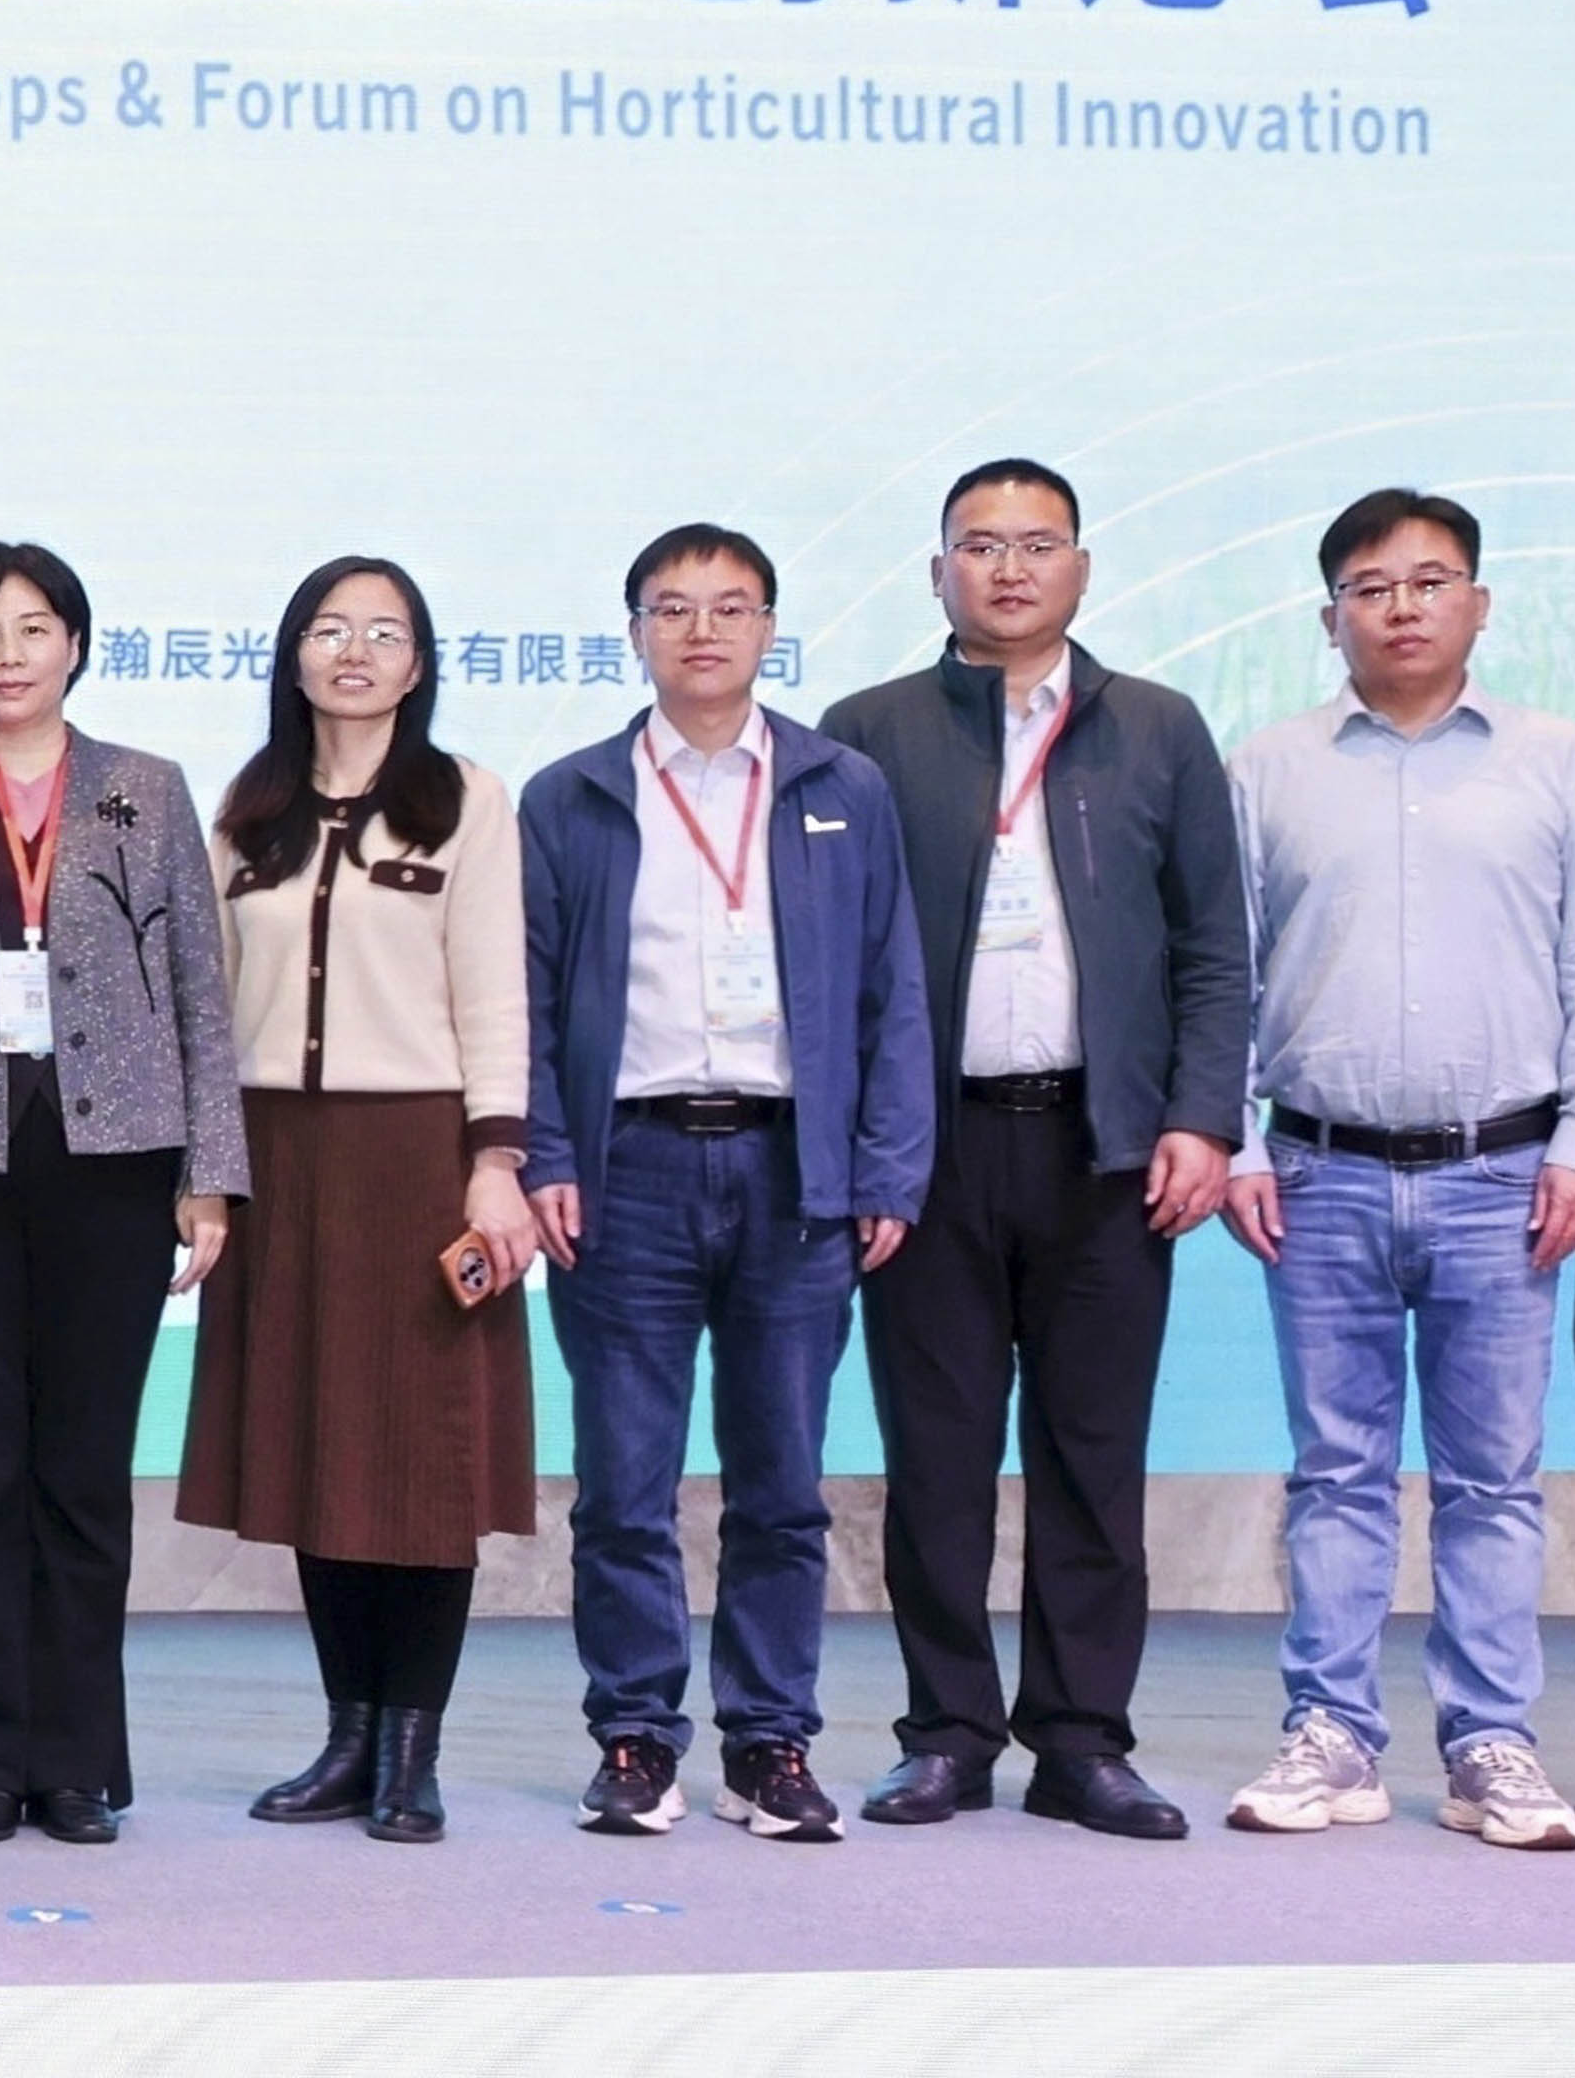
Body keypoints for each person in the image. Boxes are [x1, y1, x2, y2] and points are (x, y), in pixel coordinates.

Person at [813, 459, 1249, 1843]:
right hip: (930, 1155)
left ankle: (1082, 1741)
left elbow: (1213, 946)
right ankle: (946, 1735)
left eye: (1037, 543)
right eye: (980, 544)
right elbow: (827, 954)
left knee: (1093, 1461)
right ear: (937, 570)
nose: (1009, 568)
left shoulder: (1159, 727)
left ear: (1082, 568)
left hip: (1105, 1153)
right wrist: (862, 1148)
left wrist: (1201, 1117)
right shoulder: (866, 731)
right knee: (936, 1461)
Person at [1215, 488, 1575, 1853]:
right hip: (1318, 1170)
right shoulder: (1268, 767)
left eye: (1430, 580)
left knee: (1492, 1481)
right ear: (1328, 614)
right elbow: (1223, 971)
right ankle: (1330, 1733)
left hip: (1503, 1176)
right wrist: (1232, 1139)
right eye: (1371, 586)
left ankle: (1491, 1743)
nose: (1401, 607)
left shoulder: (1560, 762)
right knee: (1334, 1473)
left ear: (1480, 603)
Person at [523, 523, 929, 1843]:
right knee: (623, 1486)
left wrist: (885, 1168)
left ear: (769, 629)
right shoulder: (572, 797)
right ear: (635, 630)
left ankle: (771, 1743)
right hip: (625, 1169)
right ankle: (635, 1735)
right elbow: (528, 999)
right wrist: (545, 1155)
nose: (702, 630)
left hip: (794, 1169)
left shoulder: (841, 787)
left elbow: (891, 988)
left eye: (731, 606)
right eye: (674, 607)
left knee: (784, 1485)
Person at [0, 540, 239, 1849]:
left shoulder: (144, 788)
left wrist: (211, 1174)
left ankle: (73, 1762)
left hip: (115, 1166)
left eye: (32, 628)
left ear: (74, 643)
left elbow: (200, 992)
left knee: (80, 1471)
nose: (6, 655)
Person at [181, 555, 531, 1848]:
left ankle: (412, 1750)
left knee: (422, 1459)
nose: (355, 652)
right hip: (279, 1160)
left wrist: (496, 1159)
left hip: (420, 1159)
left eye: (385, 633)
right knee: (317, 1451)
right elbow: (210, 1007)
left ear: (419, 664)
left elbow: (495, 990)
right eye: (330, 630)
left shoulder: (466, 801)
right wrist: (207, 1169)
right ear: (293, 656)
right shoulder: (249, 811)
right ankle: (346, 1737)